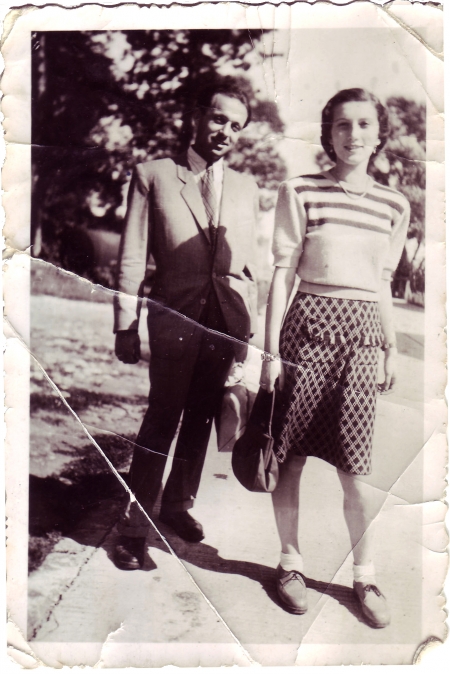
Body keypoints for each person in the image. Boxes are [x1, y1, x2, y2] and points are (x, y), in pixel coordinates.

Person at [260, 88, 410, 627]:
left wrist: (391, 347)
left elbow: (383, 281)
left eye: (363, 124)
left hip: (362, 338)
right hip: (306, 329)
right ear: (329, 133)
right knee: (290, 457)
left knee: (355, 470)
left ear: (378, 132)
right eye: (342, 125)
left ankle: (365, 575)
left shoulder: (395, 204)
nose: (353, 134)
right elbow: (283, 272)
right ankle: (290, 564)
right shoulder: (300, 190)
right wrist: (271, 351)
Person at [113, 79, 259, 570]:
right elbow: (132, 254)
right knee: (162, 417)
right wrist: (125, 323)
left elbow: (248, 267)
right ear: (197, 114)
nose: (225, 132)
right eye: (219, 119)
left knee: (200, 418)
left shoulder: (246, 187)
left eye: (236, 126)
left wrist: (248, 333)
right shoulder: (153, 174)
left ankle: (177, 505)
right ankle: (134, 528)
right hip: (173, 317)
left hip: (225, 323)